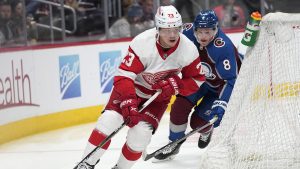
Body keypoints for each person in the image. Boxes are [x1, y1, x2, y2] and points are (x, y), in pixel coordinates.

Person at [75, 5, 205, 169]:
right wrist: (129, 100)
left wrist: (176, 86)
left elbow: (197, 79)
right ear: (157, 28)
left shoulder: (188, 49)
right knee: (108, 122)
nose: (172, 34)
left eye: (176, 29)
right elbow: (124, 76)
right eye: (166, 29)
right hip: (130, 91)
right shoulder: (142, 43)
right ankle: (87, 163)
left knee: (140, 136)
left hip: (156, 100)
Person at [153, 9, 243, 161]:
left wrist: (222, 103)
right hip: (198, 81)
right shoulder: (185, 32)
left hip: (219, 89)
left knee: (198, 123)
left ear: (216, 29)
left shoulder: (223, 47)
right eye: (200, 32)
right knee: (179, 108)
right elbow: (167, 34)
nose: (203, 37)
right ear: (194, 29)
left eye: (208, 32)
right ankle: (173, 144)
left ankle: (206, 131)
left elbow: (230, 80)